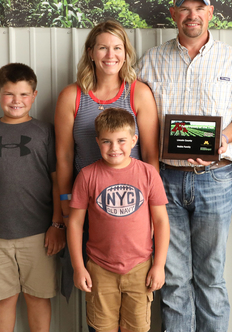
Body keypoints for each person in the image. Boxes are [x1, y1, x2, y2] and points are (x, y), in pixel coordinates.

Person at [137, 0, 232, 332]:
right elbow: (135, 117)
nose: (192, 15)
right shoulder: (150, 61)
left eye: (199, 8)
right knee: (174, 279)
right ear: (174, 14)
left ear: (210, 13)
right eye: (185, 8)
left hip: (217, 180)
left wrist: (222, 139)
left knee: (211, 276)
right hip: (164, 179)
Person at [54, 19, 159, 300]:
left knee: (135, 289)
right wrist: (65, 206)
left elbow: (150, 155)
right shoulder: (71, 96)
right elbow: (64, 157)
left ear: (125, 53)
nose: (110, 55)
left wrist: (151, 206)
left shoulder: (138, 92)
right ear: (90, 52)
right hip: (86, 205)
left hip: (131, 207)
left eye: (117, 48)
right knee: (98, 291)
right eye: (102, 48)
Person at [0, 63, 65, 332]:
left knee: (38, 297)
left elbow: (57, 181)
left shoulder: (46, 133)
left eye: (23, 94)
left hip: (39, 235)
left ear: (34, 95)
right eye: (9, 94)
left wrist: (57, 225)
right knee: (3, 299)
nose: (16, 101)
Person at [68, 108, 170, 332]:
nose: (114, 148)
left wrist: (159, 265)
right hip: (99, 269)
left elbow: (161, 221)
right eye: (107, 141)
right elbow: (75, 223)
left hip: (140, 269)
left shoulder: (148, 173)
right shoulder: (87, 176)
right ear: (97, 142)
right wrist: (78, 266)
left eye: (121, 141)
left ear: (134, 140)